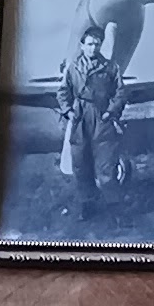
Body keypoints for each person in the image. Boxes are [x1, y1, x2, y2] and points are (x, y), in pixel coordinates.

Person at [55, 19, 129, 207]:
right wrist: (68, 111)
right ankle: (88, 205)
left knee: (106, 167)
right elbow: (63, 91)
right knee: (81, 166)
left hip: (101, 116)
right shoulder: (73, 67)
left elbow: (120, 92)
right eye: (89, 44)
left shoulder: (110, 67)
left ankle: (115, 207)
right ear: (82, 45)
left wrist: (110, 113)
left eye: (97, 44)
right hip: (80, 116)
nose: (93, 48)